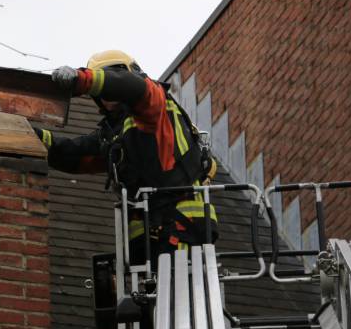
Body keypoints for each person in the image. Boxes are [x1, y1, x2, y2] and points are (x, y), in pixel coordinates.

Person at [33, 50, 217, 265]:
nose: (107, 94)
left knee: (178, 284)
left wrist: (83, 80)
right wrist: (31, 136)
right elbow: (72, 154)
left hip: (182, 224)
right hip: (147, 238)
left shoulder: (154, 104)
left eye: (111, 76)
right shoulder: (113, 134)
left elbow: (134, 87)